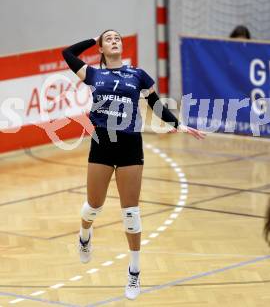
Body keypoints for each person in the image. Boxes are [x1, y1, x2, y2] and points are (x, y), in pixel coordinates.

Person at [62, 30, 205, 300]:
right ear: (102, 49)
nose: (115, 40)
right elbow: (67, 54)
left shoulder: (138, 75)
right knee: (94, 206)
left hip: (129, 145)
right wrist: (94, 38)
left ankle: (134, 272)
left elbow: (155, 103)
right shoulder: (92, 74)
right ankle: (84, 235)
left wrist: (178, 124)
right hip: (102, 143)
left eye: (118, 38)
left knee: (131, 213)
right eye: (109, 39)